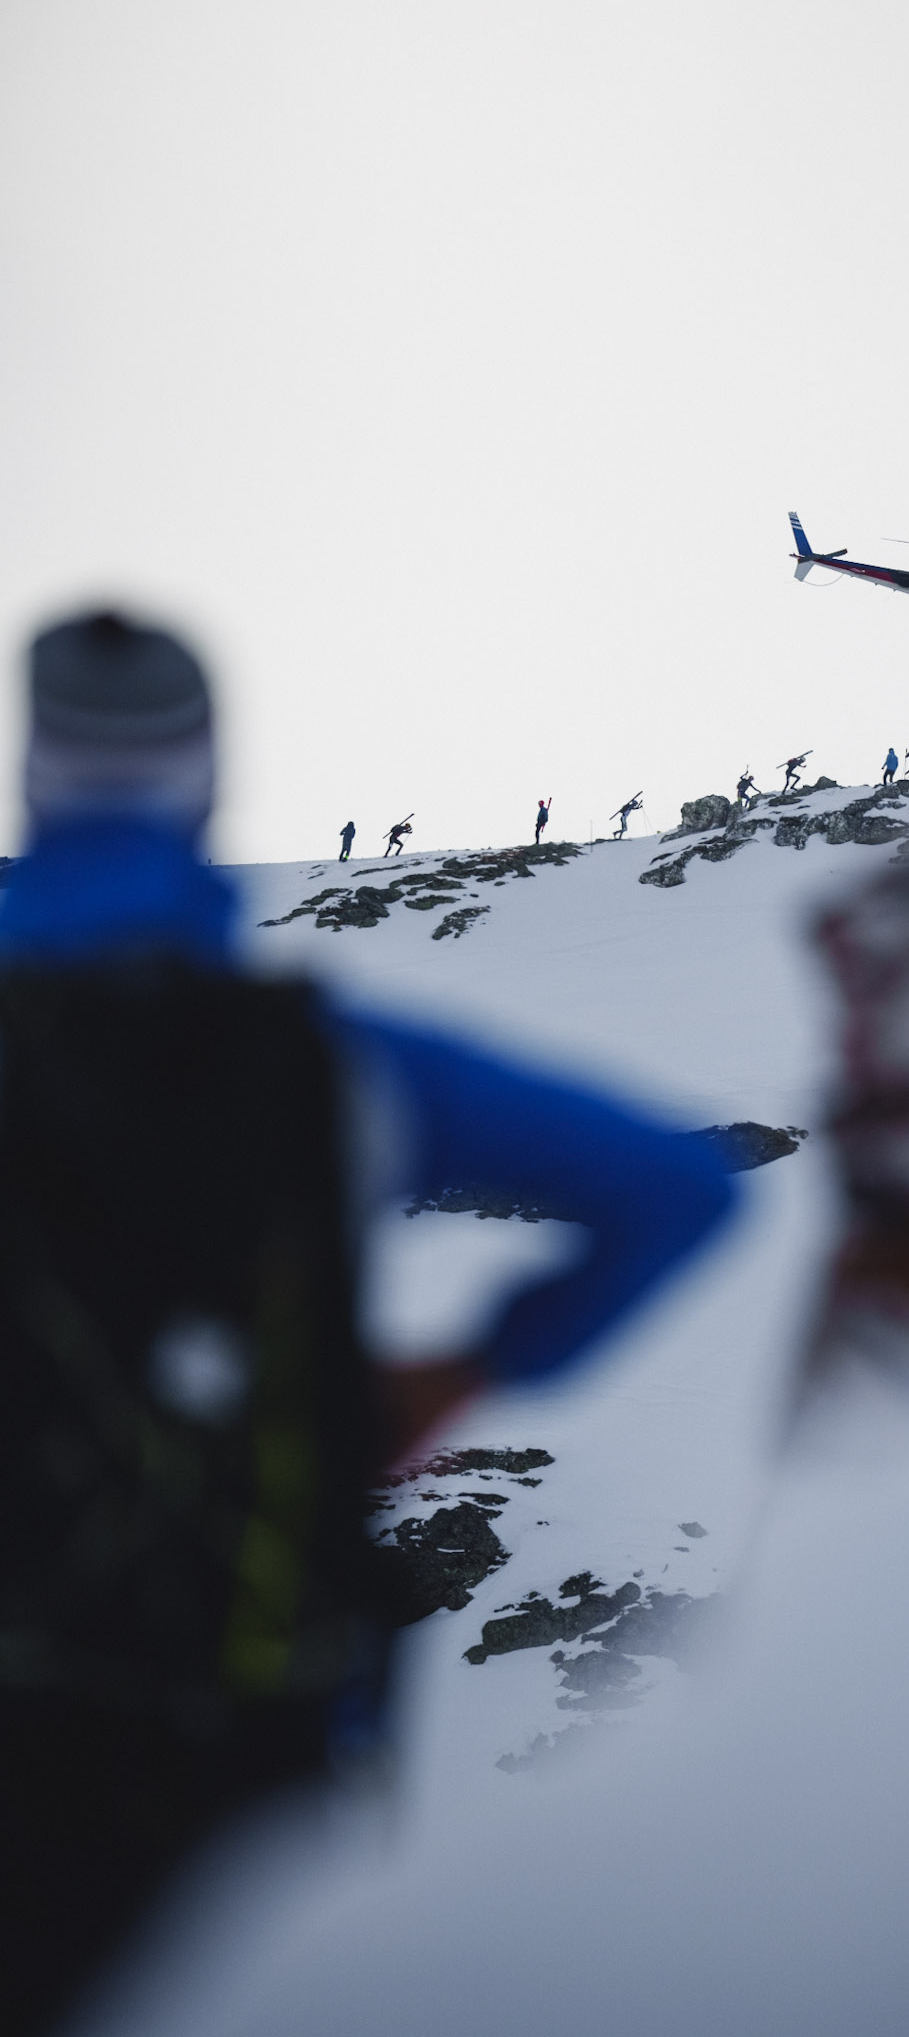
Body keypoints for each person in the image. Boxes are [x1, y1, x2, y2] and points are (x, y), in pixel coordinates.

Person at [0, 610, 735, 2037]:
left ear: (32, 774)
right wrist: (469, 1369)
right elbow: (674, 1188)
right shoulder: (341, 1073)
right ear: (206, 782)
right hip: (259, 1744)